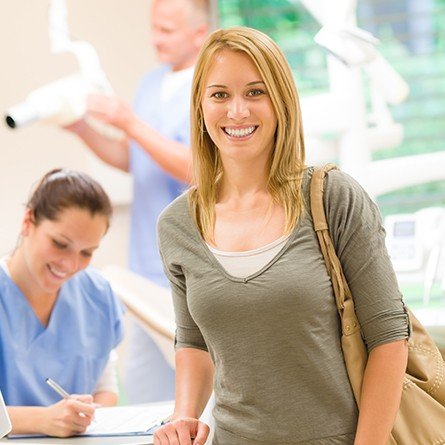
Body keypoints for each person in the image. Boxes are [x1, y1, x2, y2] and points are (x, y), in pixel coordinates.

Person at [155, 27, 410, 445]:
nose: (237, 111)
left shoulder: (333, 199)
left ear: (282, 101)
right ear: (200, 106)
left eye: (256, 92)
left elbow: (388, 337)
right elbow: (195, 341)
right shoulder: (177, 224)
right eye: (220, 95)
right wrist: (183, 416)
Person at [64, 0, 210, 403]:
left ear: (198, 34)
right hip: (145, 267)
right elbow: (134, 159)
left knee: (199, 398)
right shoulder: (150, 82)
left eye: (165, 31)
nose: (153, 39)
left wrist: (128, 121)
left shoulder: (211, 86)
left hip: (194, 270)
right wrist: (81, 128)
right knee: (144, 392)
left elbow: (199, 170)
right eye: (153, 28)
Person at [0, 169, 124, 438]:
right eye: (59, 244)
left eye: (86, 252)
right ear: (28, 221)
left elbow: (105, 381)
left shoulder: (97, 293)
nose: (70, 265)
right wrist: (42, 420)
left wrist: (89, 417)